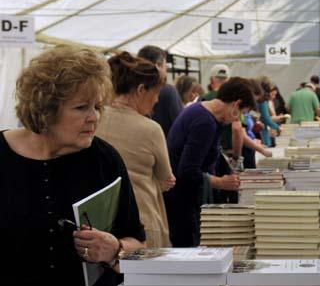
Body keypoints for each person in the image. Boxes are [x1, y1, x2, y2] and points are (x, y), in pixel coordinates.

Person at [0, 45, 146, 286]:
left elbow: (137, 241)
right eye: (82, 108)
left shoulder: (104, 159)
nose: (95, 118)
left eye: (98, 106)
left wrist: (115, 249)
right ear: (45, 109)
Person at [97, 52, 175, 247]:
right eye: (155, 93)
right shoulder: (150, 129)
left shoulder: (94, 119)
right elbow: (166, 178)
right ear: (141, 90)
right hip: (142, 221)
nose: (157, 100)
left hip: (101, 223)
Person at [165, 77, 255, 246]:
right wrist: (220, 182)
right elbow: (187, 171)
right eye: (241, 114)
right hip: (183, 200)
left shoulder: (203, 111)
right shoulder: (205, 123)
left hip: (181, 197)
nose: (238, 119)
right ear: (236, 105)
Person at [137, 45, 183, 137]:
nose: (166, 71)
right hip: (163, 146)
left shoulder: (130, 90)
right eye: (165, 66)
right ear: (158, 66)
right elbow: (180, 126)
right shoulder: (168, 91)